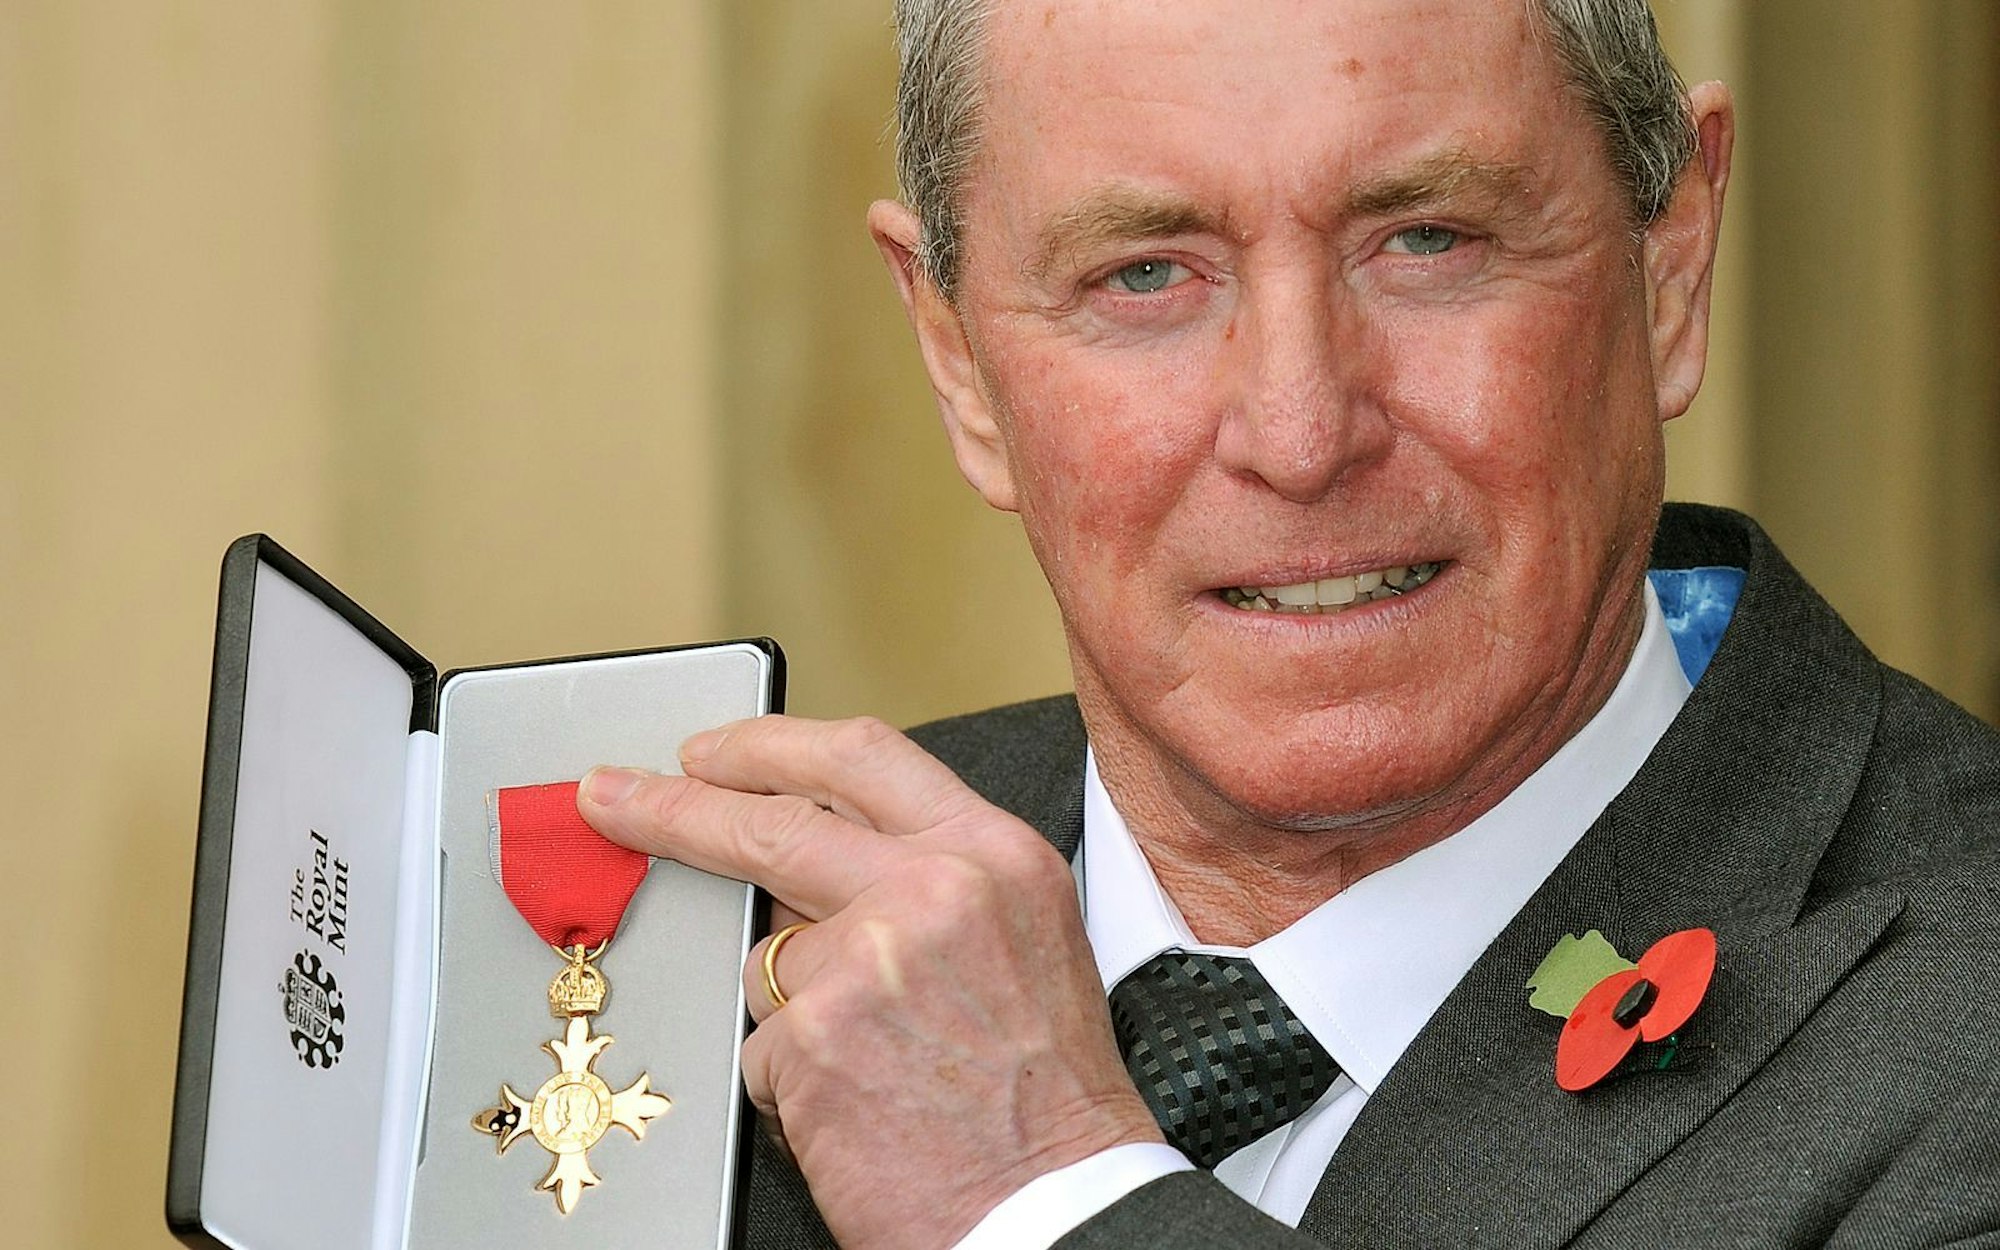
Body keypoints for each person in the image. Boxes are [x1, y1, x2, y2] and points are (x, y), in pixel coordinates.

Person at [577, 1, 2000, 1245]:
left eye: (1427, 239)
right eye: (1145, 273)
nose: (1302, 432)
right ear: (955, 357)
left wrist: (1041, 1195)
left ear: (1671, 263)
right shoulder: (640, 971)